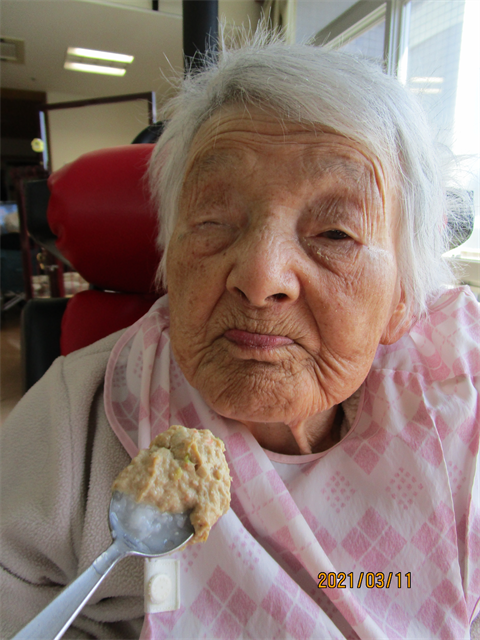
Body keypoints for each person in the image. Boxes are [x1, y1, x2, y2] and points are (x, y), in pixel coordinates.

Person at [1, 36, 479, 640]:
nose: (259, 277)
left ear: (403, 298)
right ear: (168, 257)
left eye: (335, 232)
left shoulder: (458, 404)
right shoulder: (79, 422)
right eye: (212, 221)